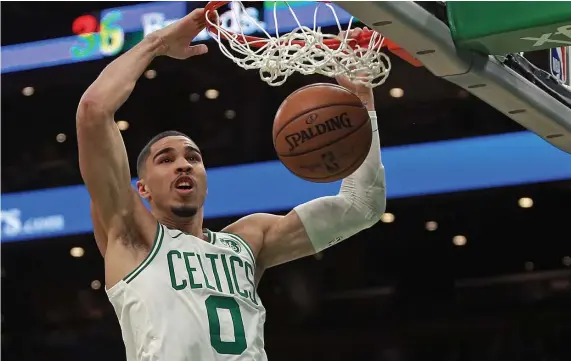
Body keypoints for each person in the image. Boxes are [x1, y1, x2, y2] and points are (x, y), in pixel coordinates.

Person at [78, 8, 386, 361]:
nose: (183, 164)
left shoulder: (248, 242)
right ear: (142, 188)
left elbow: (363, 206)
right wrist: (158, 42)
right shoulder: (132, 236)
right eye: (166, 159)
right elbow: (94, 110)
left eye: (193, 158)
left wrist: (362, 101)